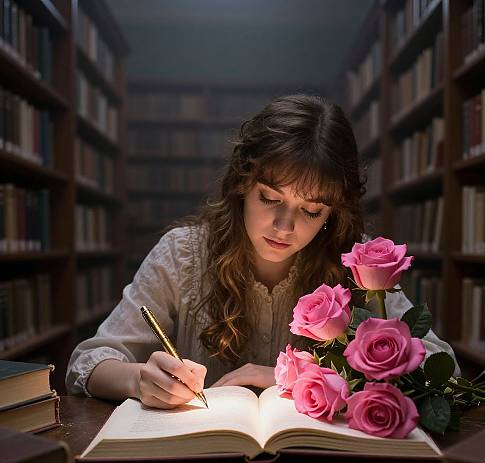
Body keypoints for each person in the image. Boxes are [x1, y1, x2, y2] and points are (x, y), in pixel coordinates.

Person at [66, 94, 460, 408]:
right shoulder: (182, 254)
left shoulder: (356, 269)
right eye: (270, 198)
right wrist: (139, 379)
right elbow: (88, 362)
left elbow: (446, 373)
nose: (284, 227)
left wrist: (299, 378)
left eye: (310, 210)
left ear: (333, 213)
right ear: (242, 184)